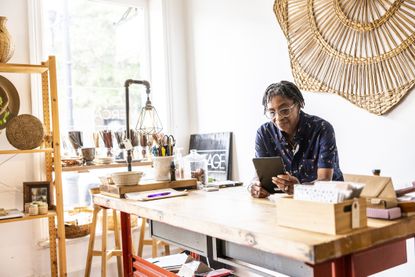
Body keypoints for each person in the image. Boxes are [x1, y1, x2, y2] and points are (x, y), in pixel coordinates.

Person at [250, 81, 343, 198]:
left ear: (299, 105)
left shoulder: (322, 129)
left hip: (328, 201)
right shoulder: (264, 133)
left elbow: (325, 181)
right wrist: (255, 186)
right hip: (287, 202)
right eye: (272, 112)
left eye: (284, 110)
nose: (278, 118)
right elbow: (259, 176)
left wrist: (299, 188)